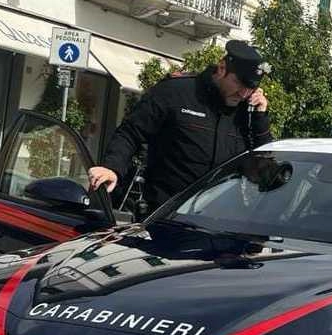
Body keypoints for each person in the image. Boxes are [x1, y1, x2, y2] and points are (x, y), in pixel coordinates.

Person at [88, 40, 274, 217]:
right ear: (222, 68)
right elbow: (131, 132)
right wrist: (112, 168)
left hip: (219, 224)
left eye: (250, 87)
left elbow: (262, 167)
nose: (243, 93)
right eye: (238, 83)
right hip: (165, 218)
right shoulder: (176, 92)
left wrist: (260, 117)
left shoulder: (246, 112)